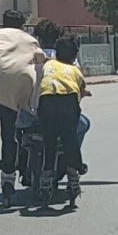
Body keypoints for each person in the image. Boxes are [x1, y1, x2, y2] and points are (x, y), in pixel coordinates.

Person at [0, 10, 45, 207]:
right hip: (14, 91)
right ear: (22, 26)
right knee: (9, 138)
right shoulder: (31, 40)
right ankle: (8, 182)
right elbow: (40, 61)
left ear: (4, 24)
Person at [18, 20, 90, 175]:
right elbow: (78, 89)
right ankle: (71, 162)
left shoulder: (30, 57)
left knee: (15, 124)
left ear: (37, 38)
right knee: (82, 125)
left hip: (32, 113)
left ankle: (18, 161)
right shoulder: (69, 62)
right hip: (62, 113)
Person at [37, 35, 88, 203]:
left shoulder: (48, 64)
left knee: (49, 142)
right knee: (69, 140)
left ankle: (46, 177)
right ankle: (74, 173)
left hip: (47, 101)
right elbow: (80, 91)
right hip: (68, 101)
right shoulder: (75, 70)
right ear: (74, 57)